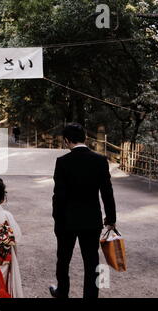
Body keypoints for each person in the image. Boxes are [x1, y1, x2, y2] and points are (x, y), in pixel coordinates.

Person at [50, 123, 117, 299]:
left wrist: (57, 220)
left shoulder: (63, 162)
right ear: (85, 138)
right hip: (91, 219)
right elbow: (107, 192)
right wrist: (111, 218)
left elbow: (59, 196)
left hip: (67, 221)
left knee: (63, 259)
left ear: (66, 141)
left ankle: (62, 292)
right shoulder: (100, 160)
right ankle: (90, 296)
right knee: (92, 261)